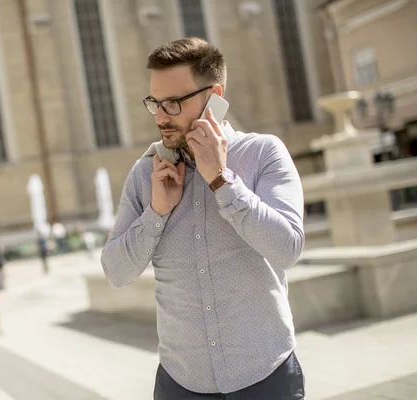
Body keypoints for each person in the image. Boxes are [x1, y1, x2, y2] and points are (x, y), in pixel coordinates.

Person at [101, 37, 305, 399]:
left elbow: (287, 248)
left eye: (174, 103)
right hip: (180, 384)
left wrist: (222, 181)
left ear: (215, 97)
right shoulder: (145, 174)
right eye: (155, 103)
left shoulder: (263, 153)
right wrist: (156, 213)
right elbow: (116, 273)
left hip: (267, 377)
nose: (161, 117)